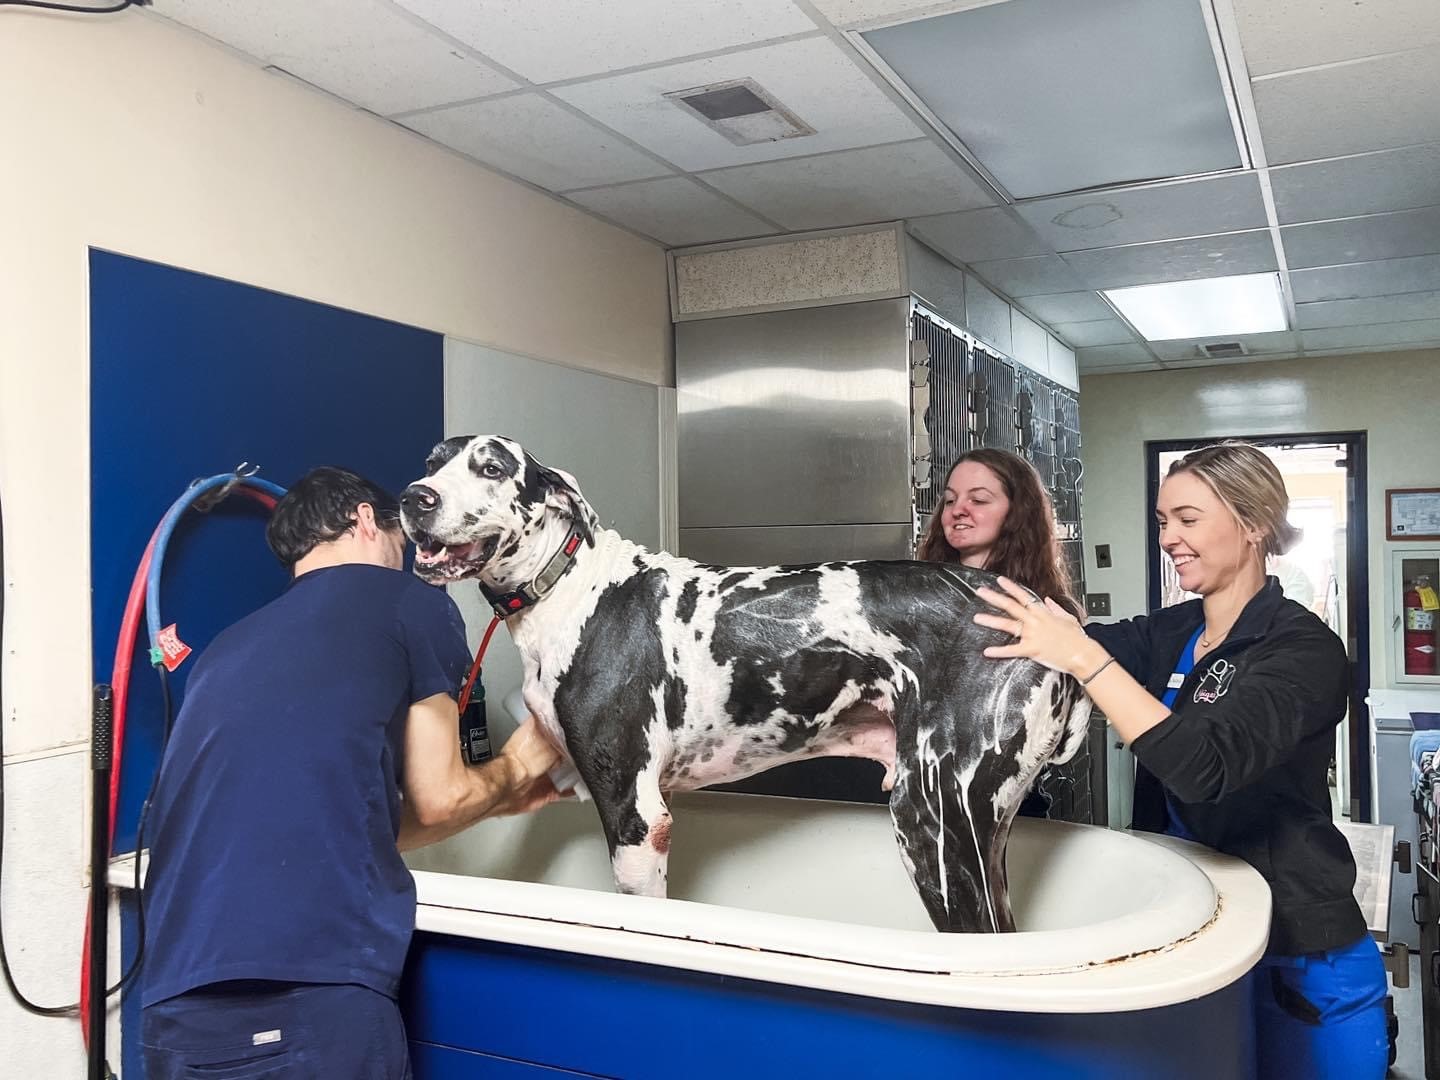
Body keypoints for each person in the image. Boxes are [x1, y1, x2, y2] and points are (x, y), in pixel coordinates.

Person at [972, 441, 1387, 1079]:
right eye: (1164, 520)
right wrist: (986, 554)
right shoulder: (1174, 632)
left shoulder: (1303, 649)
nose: (1170, 537)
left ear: (1253, 524)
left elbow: (1202, 766)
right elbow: (1045, 649)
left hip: (1300, 957)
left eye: (1189, 519)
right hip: (1200, 933)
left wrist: (1084, 657)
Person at [140, 466, 561, 1080]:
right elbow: (440, 797)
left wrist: (494, 803)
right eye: (403, 539)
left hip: (172, 1008)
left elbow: (345, 821)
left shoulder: (226, 647)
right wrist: (520, 765)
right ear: (367, 520)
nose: (411, 556)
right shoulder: (408, 601)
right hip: (304, 991)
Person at [918, 448, 1082, 818]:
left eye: (978, 499)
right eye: (949, 500)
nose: (958, 509)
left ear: (1016, 513)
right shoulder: (917, 601)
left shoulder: (1048, 612)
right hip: (923, 794)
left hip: (1006, 802)